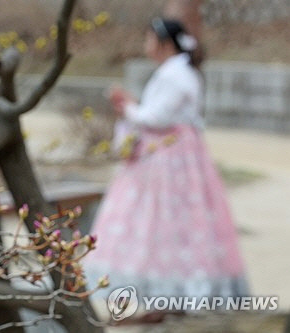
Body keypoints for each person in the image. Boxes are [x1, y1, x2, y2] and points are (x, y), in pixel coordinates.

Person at [84, 18, 248, 311]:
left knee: (161, 222)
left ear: (165, 44)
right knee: (172, 225)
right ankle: (163, 299)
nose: (146, 46)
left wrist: (126, 106)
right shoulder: (178, 72)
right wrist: (135, 107)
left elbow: (156, 118)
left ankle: (168, 298)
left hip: (169, 159)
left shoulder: (176, 75)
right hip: (172, 156)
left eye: (149, 39)